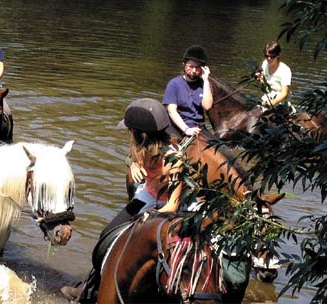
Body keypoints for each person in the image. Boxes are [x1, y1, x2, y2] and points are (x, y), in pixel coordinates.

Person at [61, 98, 185, 302]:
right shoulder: (142, 147)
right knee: (106, 234)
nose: (129, 134)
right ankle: (91, 286)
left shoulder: (174, 158)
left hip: (166, 207)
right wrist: (135, 166)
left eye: (131, 131)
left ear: (141, 134)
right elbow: (134, 158)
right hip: (147, 195)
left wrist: (150, 216)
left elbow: (174, 204)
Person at [164, 45, 214, 137]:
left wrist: (206, 80)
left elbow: (207, 106)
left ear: (203, 68)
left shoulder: (205, 85)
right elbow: (172, 111)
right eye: (190, 66)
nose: (194, 70)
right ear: (184, 65)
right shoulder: (174, 84)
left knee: (221, 150)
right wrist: (186, 129)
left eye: (198, 67)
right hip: (177, 126)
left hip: (198, 127)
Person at [256, 41, 293, 110]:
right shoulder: (265, 64)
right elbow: (264, 84)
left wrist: (273, 102)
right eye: (266, 56)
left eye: (272, 56)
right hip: (267, 98)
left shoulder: (285, 70)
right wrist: (259, 79)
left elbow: (284, 93)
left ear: (278, 55)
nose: (269, 59)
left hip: (281, 102)